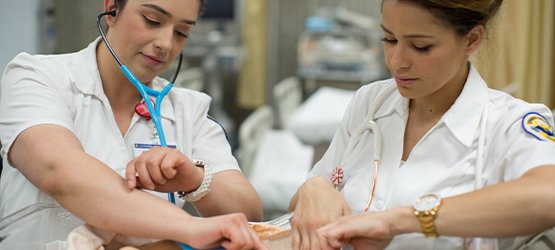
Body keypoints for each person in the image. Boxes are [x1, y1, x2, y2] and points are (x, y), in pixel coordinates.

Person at [288, 0, 555, 249]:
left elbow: (547, 196)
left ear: (471, 40)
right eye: (389, 39)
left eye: (420, 47)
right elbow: (303, 207)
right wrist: (313, 188)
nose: (396, 62)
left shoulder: (510, 124)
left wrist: (396, 221)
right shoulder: (370, 102)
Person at [0, 0, 267, 249]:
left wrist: (196, 180)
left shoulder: (188, 109)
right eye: (152, 20)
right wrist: (189, 227)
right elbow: (60, 174)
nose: (166, 44)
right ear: (112, 8)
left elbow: (249, 214)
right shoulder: (35, 78)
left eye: (181, 33)